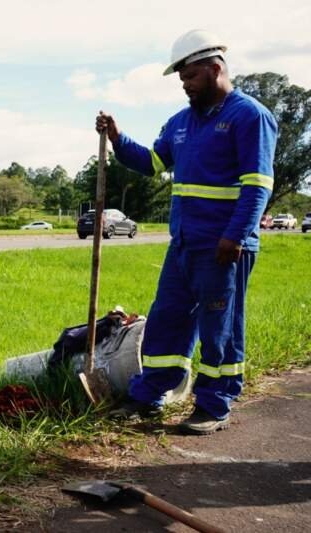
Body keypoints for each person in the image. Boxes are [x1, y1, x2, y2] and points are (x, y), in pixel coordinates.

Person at [98, 29, 277, 434]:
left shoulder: (249, 116)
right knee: (167, 320)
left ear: (215, 70)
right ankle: (150, 395)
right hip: (183, 246)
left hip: (224, 246)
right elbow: (151, 164)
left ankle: (214, 405)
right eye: (181, 78)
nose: (185, 85)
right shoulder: (180, 123)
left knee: (221, 330)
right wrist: (117, 138)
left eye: (190, 77)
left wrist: (235, 235)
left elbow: (257, 186)